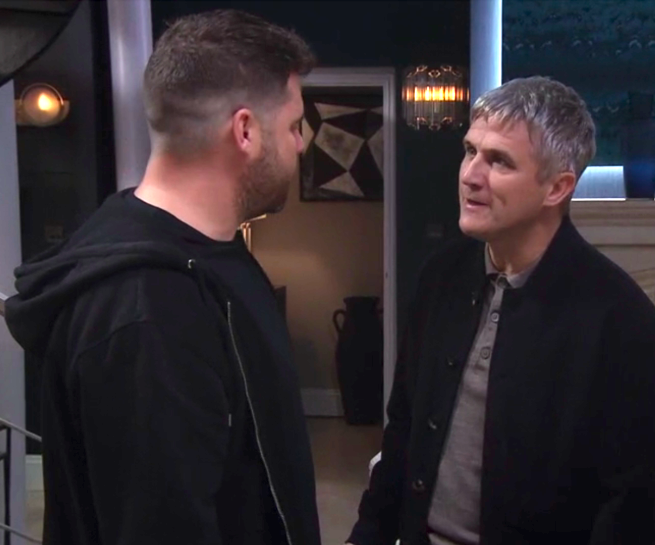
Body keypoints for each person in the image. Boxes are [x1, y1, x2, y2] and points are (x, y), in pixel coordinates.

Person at [5, 9, 320, 545]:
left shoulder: (213, 255)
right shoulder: (149, 311)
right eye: (294, 125)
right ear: (245, 131)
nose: (302, 143)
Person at [346, 76, 655, 545]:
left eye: (499, 161)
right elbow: (405, 426)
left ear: (557, 187)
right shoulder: (441, 277)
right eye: (470, 151)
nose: (470, 175)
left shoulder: (619, 319)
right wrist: (367, 534)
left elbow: (629, 501)